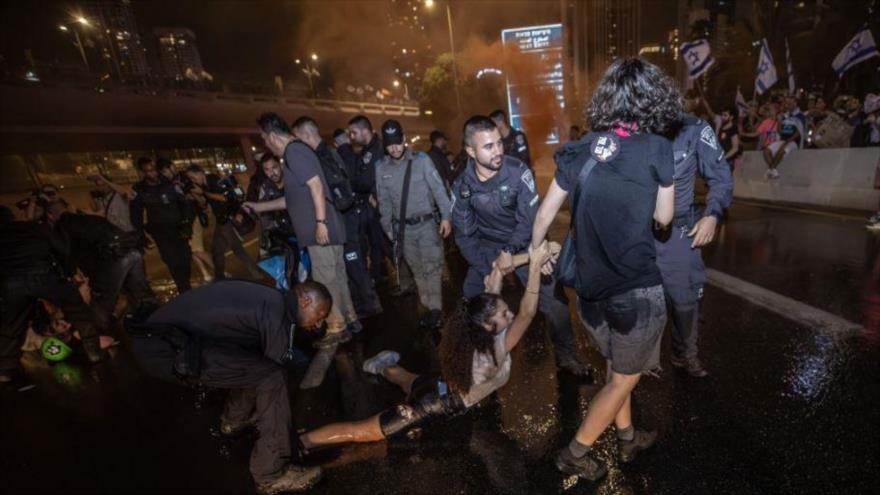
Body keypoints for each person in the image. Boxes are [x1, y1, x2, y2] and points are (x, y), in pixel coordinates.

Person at [531, 58, 678, 481]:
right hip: (635, 293)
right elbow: (664, 221)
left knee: (619, 369)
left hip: (591, 296)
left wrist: (535, 257)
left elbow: (543, 218)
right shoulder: (657, 148)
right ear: (652, 98)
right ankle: (576, 453)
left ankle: (628, 438)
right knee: (622, 380)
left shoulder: (577, 150)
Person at [298, 241, 552, 452]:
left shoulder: (479, 322)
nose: (509, 314)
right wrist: (535, 265)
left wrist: (532, 255)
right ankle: (300, 443)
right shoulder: (495, 349)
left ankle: (384, 366)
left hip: (440, 384)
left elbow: (498, 270)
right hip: (434, 405)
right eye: (505, 314)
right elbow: (527, 313)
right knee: (362, 432)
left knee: (412, 382)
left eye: (508, 312)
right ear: (488, 325)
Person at [127, 280, 330, 494]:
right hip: (167, 350)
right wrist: (286, 437)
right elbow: (273, 371)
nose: (318, 324)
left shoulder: (272, 298)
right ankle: (271, 473)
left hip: (160, 339)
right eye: (321, 315)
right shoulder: (279, 316)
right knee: (272, 376)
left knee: (258, 367)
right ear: (306, 300)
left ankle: (234, 421)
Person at [452, 115, 591, 377]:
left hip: (523, 243)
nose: (498, 151)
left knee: (556, 301)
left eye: (499, 143)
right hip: (486, 250)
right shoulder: (462, 187)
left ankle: (567, 356)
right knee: (472, 302)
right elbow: (464, 235)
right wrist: (487, 268)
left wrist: (512, 252)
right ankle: (477, 363)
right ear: (470, 151)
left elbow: (528, 220)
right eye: (488, 146)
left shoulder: (517, 171)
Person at [247, 113, 356, 347]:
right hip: (328, 227)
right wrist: (259, 206)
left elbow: (316, 186)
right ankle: (349, 318)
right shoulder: (296, 153)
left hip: (322, 230)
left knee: (326, 280)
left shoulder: (294, 152)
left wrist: (320, 223)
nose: (266, 144)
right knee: (336, 276)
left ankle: (337, 326)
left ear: (273, 136)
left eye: (265, 139)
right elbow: (292, 199)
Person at [654, 111, 733, 378]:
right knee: (638, 302)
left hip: (677, 231)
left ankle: (684, 355)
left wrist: (712, 215)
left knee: (684, 299)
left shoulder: (694, 128)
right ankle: (639, 363)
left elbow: (720, 176)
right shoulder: (630, 128)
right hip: (638, 233)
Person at [1, 205, 104, 387]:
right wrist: (68, 273)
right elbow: (63, 250)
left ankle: (5, 371)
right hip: (44, 276)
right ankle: (94, 353)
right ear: (12, 216)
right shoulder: (34, 227)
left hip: (12, 283)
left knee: (13, 326)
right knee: (78, 312)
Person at [293, 116, 382, 321]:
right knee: (350, 268)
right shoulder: (328, 154)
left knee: (354, 266)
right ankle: (360, 308)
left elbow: (348, 185)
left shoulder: (325, 156)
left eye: (298, 138)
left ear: (307, 135)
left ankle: (369, 306)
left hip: (345, 220)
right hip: (345, 219)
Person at [375, 119, 453, 328]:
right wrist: (388, 229)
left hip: (427, 224)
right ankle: (428, 307)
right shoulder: (381, 168)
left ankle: (435, 309)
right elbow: (384, 203)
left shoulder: (421, 160)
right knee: (417, 270)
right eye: (390, 144)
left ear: (404, 139)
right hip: (403, 229)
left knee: (432, 267)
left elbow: (438, 189)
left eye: (397, 142)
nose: (394, 148)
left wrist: (446, 216)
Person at [44, 199, 157, 333]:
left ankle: (105, 337)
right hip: (132, 250)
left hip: (113, 257)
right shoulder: (89, 219)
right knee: (141, 294)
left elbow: (67, 256)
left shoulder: (61, 228)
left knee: (102, 303)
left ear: (50, 215)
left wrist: (72, 275)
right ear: (67, 208)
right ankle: (158, 323)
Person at [130, 157, 193, 293]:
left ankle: (185, 284)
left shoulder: (170, 184)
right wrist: (141, 234)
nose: (151, 174)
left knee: (185, 259)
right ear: (142, 172)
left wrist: (187, 223)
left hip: (179, 229)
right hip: (161, 233)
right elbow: (136, 214)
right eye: (147, 171)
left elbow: (185, 204)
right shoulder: (139, 190)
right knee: (172, 261)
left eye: (153, 170)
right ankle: (184, 289)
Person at [197, 167, 263, 280]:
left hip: (227, 219)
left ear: (200, 173)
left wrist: (205, 193)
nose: (194, 180)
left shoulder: (213, 180)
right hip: (221, 221)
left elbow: (225, 198)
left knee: (236, 249)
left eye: (194, 177)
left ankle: (257, 275)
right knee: (217, 250)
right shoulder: (203, 186)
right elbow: (205, 204)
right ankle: (220, 276)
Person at [347, 115, 391, 285]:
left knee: (387, 244)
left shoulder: (376, 150)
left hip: (381, 205)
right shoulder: (367, 150)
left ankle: (411, 277)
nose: (351, 136)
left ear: (365, 131)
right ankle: (378, 277)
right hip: (373, 206)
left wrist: (352, 184)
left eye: (353, 132)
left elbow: (366, 180)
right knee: (378, 243)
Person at [247, 154, 300, 288]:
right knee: (285, 273)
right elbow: (263, 216)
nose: (272, 172)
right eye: (267, 170)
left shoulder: (293, 181)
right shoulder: (265, 187)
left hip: (302, 233)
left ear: (280, 165)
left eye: (274, 167)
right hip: (283, 236)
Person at [180, 165, 215, 283]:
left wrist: (191, 192)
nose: (191, 179)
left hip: (194, 219)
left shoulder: (194, 186)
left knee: (198, 250)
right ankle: (206, 274)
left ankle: (219, 271)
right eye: (189, 177)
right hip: (184, 222)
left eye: (192, 177)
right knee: (191, 251)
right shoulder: (186, 185)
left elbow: (202, 202)